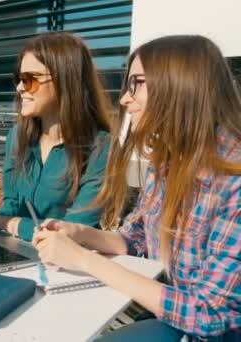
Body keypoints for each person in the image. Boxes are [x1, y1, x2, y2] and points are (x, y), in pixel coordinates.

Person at [33, 35, 241, 341]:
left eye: (136, 84)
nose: (124, 100)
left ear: (180, 84)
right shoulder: (168, 162)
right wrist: (80, 234)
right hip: (168, 321)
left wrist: (83, 260)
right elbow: (137, 237)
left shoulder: (234, 181)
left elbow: (209, 314)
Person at [0, 32, 111, 241]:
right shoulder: (17, 137)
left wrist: (1, 222)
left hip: (66, 265)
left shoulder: (100, 147)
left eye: (30, 80)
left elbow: (75, 230)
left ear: (65, 80)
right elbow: (12, 208)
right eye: (19, 78)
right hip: (19, 250)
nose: (19, 88)